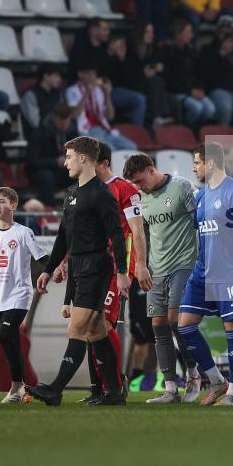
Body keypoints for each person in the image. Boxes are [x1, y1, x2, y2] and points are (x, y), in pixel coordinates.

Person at [26, 137, 129, 407]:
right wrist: (49, 269)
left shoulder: (101, 194)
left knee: (77, 328)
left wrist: (122, 271)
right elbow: (63, 236)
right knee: (96, 332)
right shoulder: (71, 192)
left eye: (69, 157)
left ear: (83, 158)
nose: (65, 163)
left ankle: (55, 390)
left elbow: (117, 234)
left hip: (96, 266)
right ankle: (115, 393)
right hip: (78, 266)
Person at [176, 142, 233, 407]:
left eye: (197, 163)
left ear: (210, 163)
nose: (194, 168)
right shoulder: (200, 196)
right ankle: (216, 380)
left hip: (229, 273)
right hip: (202, 272)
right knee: (185, 325)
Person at [122, 153, 201, 403]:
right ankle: (170, 388)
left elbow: (201, 222)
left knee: (176, 321)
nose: (138, 186)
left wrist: (204, 259)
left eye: (140, 180)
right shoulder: (141, 199)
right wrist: (141, 266)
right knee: (158, 326)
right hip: (156, 269)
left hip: (184, 264)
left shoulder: (182, 187)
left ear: (151, 169)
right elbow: (140, 235)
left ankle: (193, 374)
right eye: (134, 183)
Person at [77, 143, 150, 402]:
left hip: (118, 265)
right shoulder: (88, 189)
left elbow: (137, 230)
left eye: (91, 162)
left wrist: (139, 265)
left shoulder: (125, 189)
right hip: (93, 265)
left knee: (105, 325)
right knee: (90, 326)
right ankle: (99, 388)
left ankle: (115, 385)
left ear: (104, 163)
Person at [0, 187, 48, 403]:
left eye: (2, 202)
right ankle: (20, 387)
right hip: (1, 298)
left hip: (20, 294)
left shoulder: (24, 232)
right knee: (12, 340)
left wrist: (53, 271)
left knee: (4, 335)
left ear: (14, 205)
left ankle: (16, 385)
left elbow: (42, 257)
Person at [65, 61, 136, 150]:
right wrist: (86, 93)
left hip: (104, 128)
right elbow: (74, 115)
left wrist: (107, 94)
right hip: (87, 130)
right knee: (110, 150)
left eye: (94, 74)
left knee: (131, 146)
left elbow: (110, 116)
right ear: (80, 74)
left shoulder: (99, 90)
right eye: (88, 73)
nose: (92, 77)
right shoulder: (72, 90)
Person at [160, 20, 215, 125]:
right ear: (178, 33)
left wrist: (200, 89)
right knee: (196, 108)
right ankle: (185, 129)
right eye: (188, 32)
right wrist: (189, 91)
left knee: (210, 109)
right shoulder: (167, 51)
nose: (191, 35)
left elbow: (198, 73)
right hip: (176, 92)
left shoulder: (191, 51)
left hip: (192, 91)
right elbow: (169, 80)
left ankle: (197, 129)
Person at [26, 101, 79, 204]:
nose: (64, 125)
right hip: (41, 170)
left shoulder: (73, 133)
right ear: (54, 118)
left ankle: (76, 207)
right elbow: (31, 162)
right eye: (60, 122)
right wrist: (55, 162)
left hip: (63, 170)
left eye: (66, 121)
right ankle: (49, 208)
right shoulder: (39, 133)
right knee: (47, 177)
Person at [21, 65, 64, 131]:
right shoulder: (31, 94)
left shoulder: (57, 93)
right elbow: (35, 123)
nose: (59, 79)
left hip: (56, 131)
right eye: (56, 76)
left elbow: (62, 114)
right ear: (46, 76)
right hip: (37, 133)